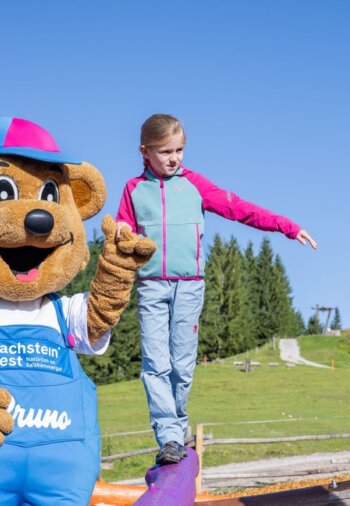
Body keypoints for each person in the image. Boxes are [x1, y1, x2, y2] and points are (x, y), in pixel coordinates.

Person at [116, 113, 317, 465]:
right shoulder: (134, 190)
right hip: (150, 287)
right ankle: (169, 435)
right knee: (154, 364)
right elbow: (122, 231)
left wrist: (286, 226)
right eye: (165, 151)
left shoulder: (195, 185)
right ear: (145, 152)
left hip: (190, 287)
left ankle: (176, 429)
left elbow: (240, 209)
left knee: (182, 364)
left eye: (179, 150)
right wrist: (119, 235)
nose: (174, 158)